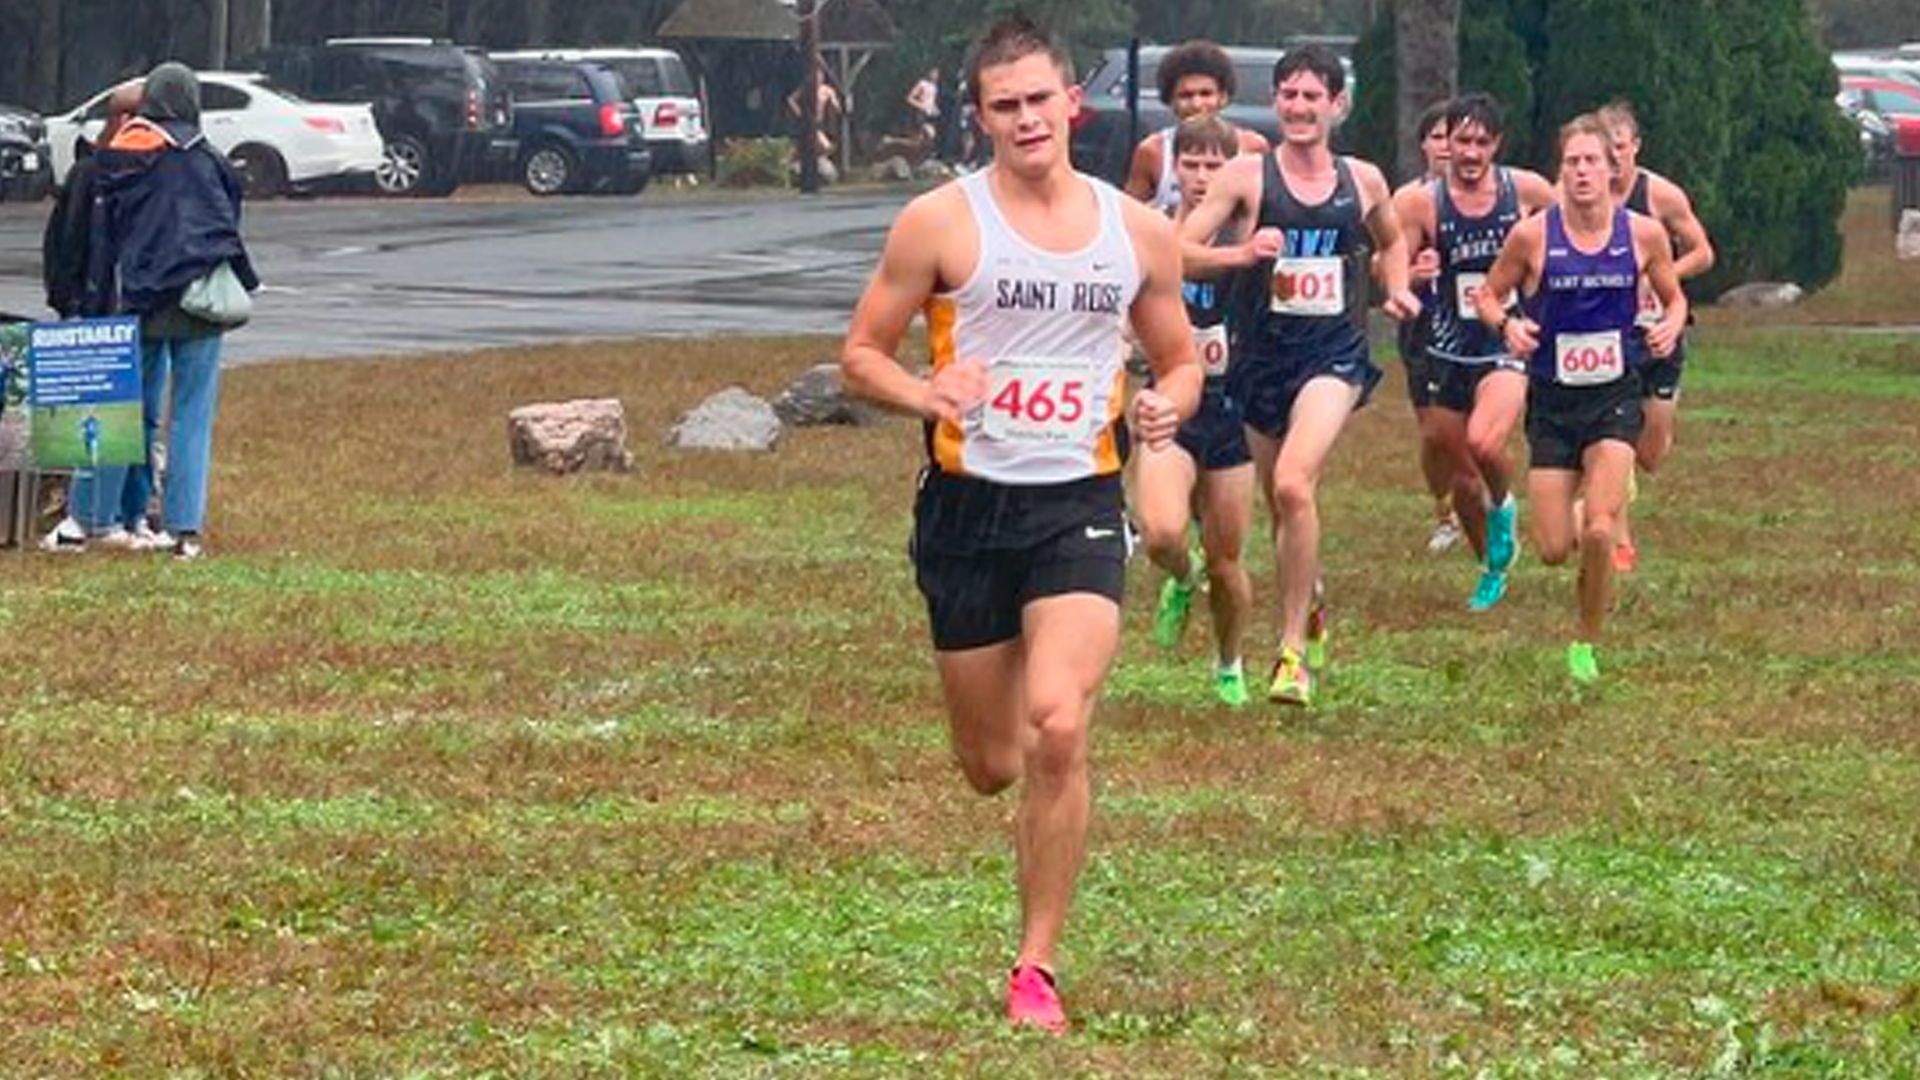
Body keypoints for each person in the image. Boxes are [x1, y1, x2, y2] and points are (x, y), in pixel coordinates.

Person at [841, 16, 1200, 1035]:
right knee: (991, 762)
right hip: (966, 511)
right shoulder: (938, 223)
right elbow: (859, 355)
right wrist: (924, 391)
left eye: (1041, 99)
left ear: (1070, 102)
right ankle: (1016, 831)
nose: (1027, 119)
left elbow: (1176, 357)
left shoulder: (1136, 230)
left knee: (1057, 723)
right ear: (982, 115)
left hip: (1078, 507)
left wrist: (1170, 402)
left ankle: (1035, 968)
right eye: (1005, 106)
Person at [1178, 44, 1420, 707]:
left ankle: (1291, 657)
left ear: (1337, 105)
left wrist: (1394, 287)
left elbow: (1393, 239)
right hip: (1260, 362)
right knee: (1281, 506)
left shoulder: (1363, 180)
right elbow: (1177, 253)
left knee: (1293, 482)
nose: (1299, 107)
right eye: (1289, 94)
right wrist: (1239, 253)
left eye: (1313, 96)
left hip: (1332, 356)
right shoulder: (1246, 178)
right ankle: (1308, 597)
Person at [1473, 113, 1686, 685]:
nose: (1583, 171)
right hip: (1554, 405)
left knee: (1599, 530)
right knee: (1552, 549)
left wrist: (1670, 325)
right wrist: (1507, 326)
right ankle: (1574, 508)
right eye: (1573, 162)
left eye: (1593, 160)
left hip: (1617, 397)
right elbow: (1488, 296)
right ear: (1560, 169)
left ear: (1613, 168)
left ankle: (1586, 642)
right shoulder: (1533, 236)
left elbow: (1676, 297)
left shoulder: (1641, 233)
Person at [84, 62, 259, 562]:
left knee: (121, 412)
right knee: (191, 417)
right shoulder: (209, 158)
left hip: (139, 298)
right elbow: (230, 219)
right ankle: (184, 528)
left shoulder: (120, 157)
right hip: (201, 301)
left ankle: (100, 517)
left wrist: (96, 300)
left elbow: (104, 235)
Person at [1392, 93, 1554, 611]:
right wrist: (1406, 277)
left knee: (1486, 445)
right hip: (1445, 346)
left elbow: (1571, 233)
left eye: (1482, 142)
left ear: (1496, 146)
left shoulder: (1524, 190)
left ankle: (1504, 507)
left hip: (1504, 339)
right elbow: (1387, 259)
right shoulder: (1421, 203)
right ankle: (1491, 565)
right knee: (1460, 474)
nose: (1470, 152)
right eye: (1461, 140)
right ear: (1446, 144)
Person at [1136, 116, 1257, 707]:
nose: (1204, 176)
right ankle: (1182, 582)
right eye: (1193, 163)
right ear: (1174, 167)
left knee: (1228, 559)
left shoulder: (1253, 232)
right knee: (1160, 532)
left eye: (1216, 165)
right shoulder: (1153, 234)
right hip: (1172, 412)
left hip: (1234, 414)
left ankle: (1229, 662)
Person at [39, 80, 163, 554]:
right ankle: (93, 515)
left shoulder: (151, 170)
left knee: (141, 419)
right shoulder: (92, 173)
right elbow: (67, 244)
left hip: (131, 308)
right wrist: (70, 304)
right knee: (97, 419)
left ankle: (131, 512)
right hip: (97, 308)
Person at [1598, 100, 1714, 572]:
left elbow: (1704, 251)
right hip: (1606, 337)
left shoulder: (1661, 195)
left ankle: (1624, 475)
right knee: (1613, 435)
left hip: (1660, 331)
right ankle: (1619, 537)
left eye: (1620, 148)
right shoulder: (1580, 196)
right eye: (1603, 149)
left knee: (1652, 452)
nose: (1612, 159)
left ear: (1636, 148)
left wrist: (1661, 274)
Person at [1390, 100, 1463, 556]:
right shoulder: (1408, 201)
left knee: (1478, 431)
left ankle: (1483, 502)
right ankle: (1446, 511)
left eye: (1456, 136)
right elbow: (1383, 262)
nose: (1448, 146)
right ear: (1424, 145)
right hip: (1424, 326)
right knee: (1436, 432)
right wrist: (1410, 277)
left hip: (1478, 328)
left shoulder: (1498, 196)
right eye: (1438, 136)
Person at [1123, 40, 1270, 212]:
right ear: (1170, 100)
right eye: (1186, 95)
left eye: (1206, 93)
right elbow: (1129, 216)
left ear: (1223, 97)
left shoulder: (1251, 147)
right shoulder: (1153, 151)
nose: (1196, 103)